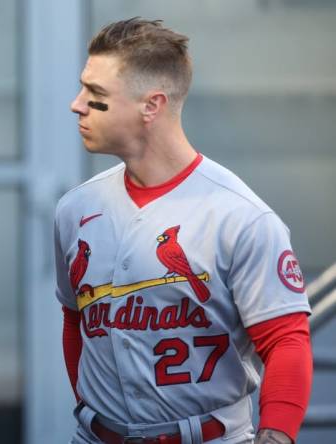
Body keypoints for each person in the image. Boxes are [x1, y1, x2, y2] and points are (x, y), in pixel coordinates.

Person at [54, 18, 312, 444]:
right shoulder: (75, 208)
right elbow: (74, 319)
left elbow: (286, 339)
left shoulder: (240, 216)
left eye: (96, 94)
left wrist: (278, 434)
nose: (77, 104)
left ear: (151, 106)